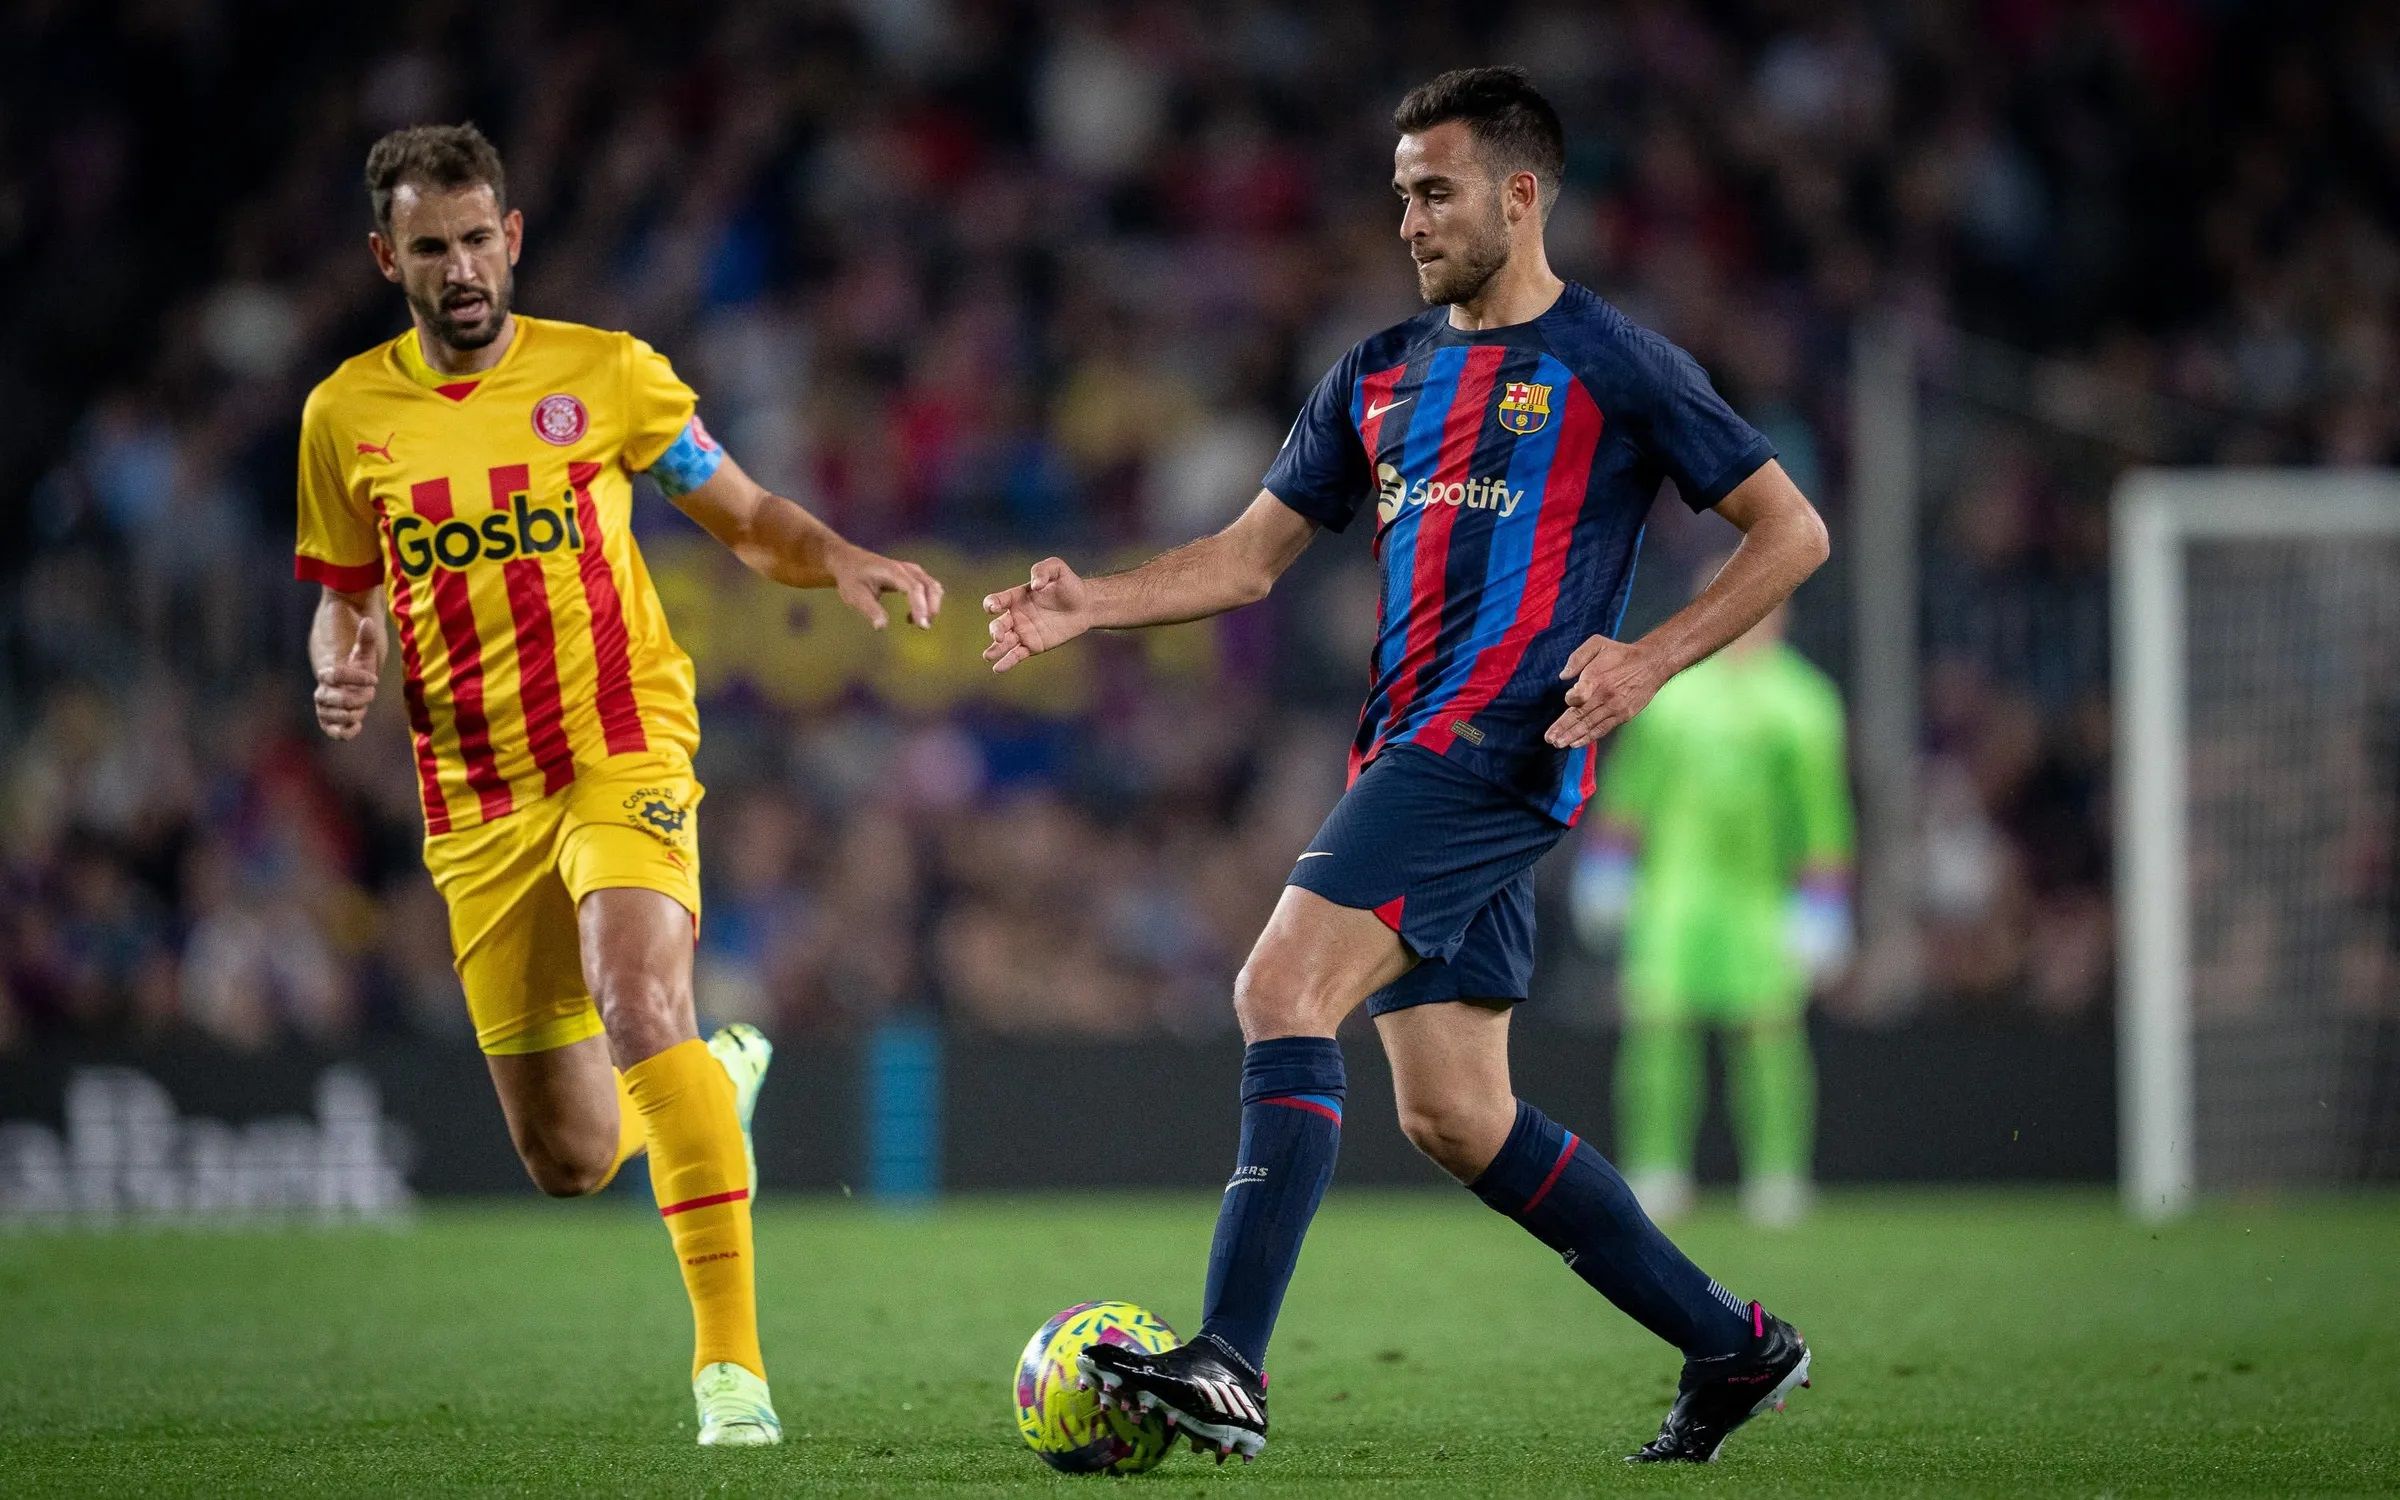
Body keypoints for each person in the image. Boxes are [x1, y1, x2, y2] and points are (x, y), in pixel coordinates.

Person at [984, 67, 1828, 1465]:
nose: (1412, 221)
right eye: (1400, 196)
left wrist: (1652, 656)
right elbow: (1249, 560)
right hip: (1413, 748)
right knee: (1455, 1114)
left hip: (1494, 749)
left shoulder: (1614, 362)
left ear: (1521, 193)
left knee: (1279, 984)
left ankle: (1232, 1364)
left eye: (1436, 192)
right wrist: (1095, 604)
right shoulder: (1379, 373)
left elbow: (1789, 529)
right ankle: (1735, 1348)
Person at [295, 124, 943, 1446]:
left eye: (480, 239)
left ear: (514, 236)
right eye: (432, 248)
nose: (463, 267)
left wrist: (845, 559)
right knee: (572, 1159)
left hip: (618, 746)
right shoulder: (343, 416)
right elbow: (342, 596)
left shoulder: (609, 376)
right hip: (474, 799)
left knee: (639, 994)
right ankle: (716, 1084)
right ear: (387, 259)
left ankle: (732, 1376)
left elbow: (748, 517)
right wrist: (342, 663)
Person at [1574, 577, 1854, 1228]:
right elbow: (1630, 793)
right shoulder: (1671, 694)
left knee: (1769, 1036)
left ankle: (1779, 1174)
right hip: (1672, 895)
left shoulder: (1805, 702)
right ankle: (1655, 1169)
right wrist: (1608, 869)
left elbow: (1823, 819)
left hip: (1758, 897)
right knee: (1657, 1031)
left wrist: (1824, 906)